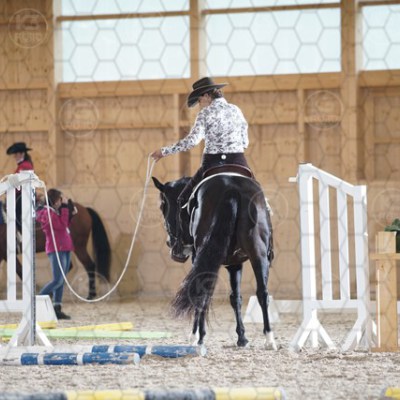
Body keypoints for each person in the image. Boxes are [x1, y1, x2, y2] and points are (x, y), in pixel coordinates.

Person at [151, 77, 252, 262]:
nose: (199, 103)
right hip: (237, 161)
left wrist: (164, 151)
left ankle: (183, 245)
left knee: (182, 200)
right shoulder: (236, 110)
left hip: (212, 164)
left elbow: (192, 142)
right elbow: (245, 141)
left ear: (206, 95)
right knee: (257, 194)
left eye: (199, 99)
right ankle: (266, 238)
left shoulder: (205, 114)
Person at [36, 189, 75, 320]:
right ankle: (36, 301)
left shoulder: (53, 211)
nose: (61, 201)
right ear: (54, 200)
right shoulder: (46, 212)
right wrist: (64, 208)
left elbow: (65, 225)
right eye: (60, 199)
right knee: (57, 280)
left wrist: (70, 213)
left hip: (65, 247)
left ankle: (57, 308)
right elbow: (61, 225)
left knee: (61, 280)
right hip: (56, 248)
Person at [6, 142, 34, 231]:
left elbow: (18, 182)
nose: (15, 156)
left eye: (16, 154)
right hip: (20, 195)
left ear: (22, 154)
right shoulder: (24, 165)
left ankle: (21, 232)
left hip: (22, 196)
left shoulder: (24, 166)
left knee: (17, 217)